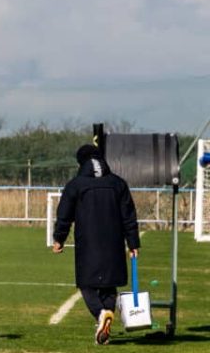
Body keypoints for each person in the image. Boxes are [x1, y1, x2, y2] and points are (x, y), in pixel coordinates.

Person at [52, 144, 140, 346]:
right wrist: (133, 243)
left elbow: (64, 215)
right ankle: (107, 315)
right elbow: (129, 215)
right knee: (110, 285)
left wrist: (59, 239)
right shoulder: (118, 184)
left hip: (88, 243)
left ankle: (101, 314)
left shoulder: (76, 185)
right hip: (114, 243)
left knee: (87, 284)